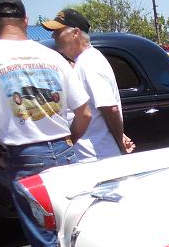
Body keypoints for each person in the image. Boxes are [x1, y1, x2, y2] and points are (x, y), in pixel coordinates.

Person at [0, 0, 91, 247]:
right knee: (72, 229)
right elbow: (84, 112)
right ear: (25, 20)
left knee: (42, 235)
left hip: (24, 154)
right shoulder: (52, 57)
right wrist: (69, 142)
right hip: (63, 149)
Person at [42, 9, 134, 162]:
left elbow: (109, 108)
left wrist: (119, 144)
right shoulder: (84, 61)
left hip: (97, 157)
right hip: (94, 156)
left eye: (58, 32)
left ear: (76, 33)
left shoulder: (90, 63)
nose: (53, 36)